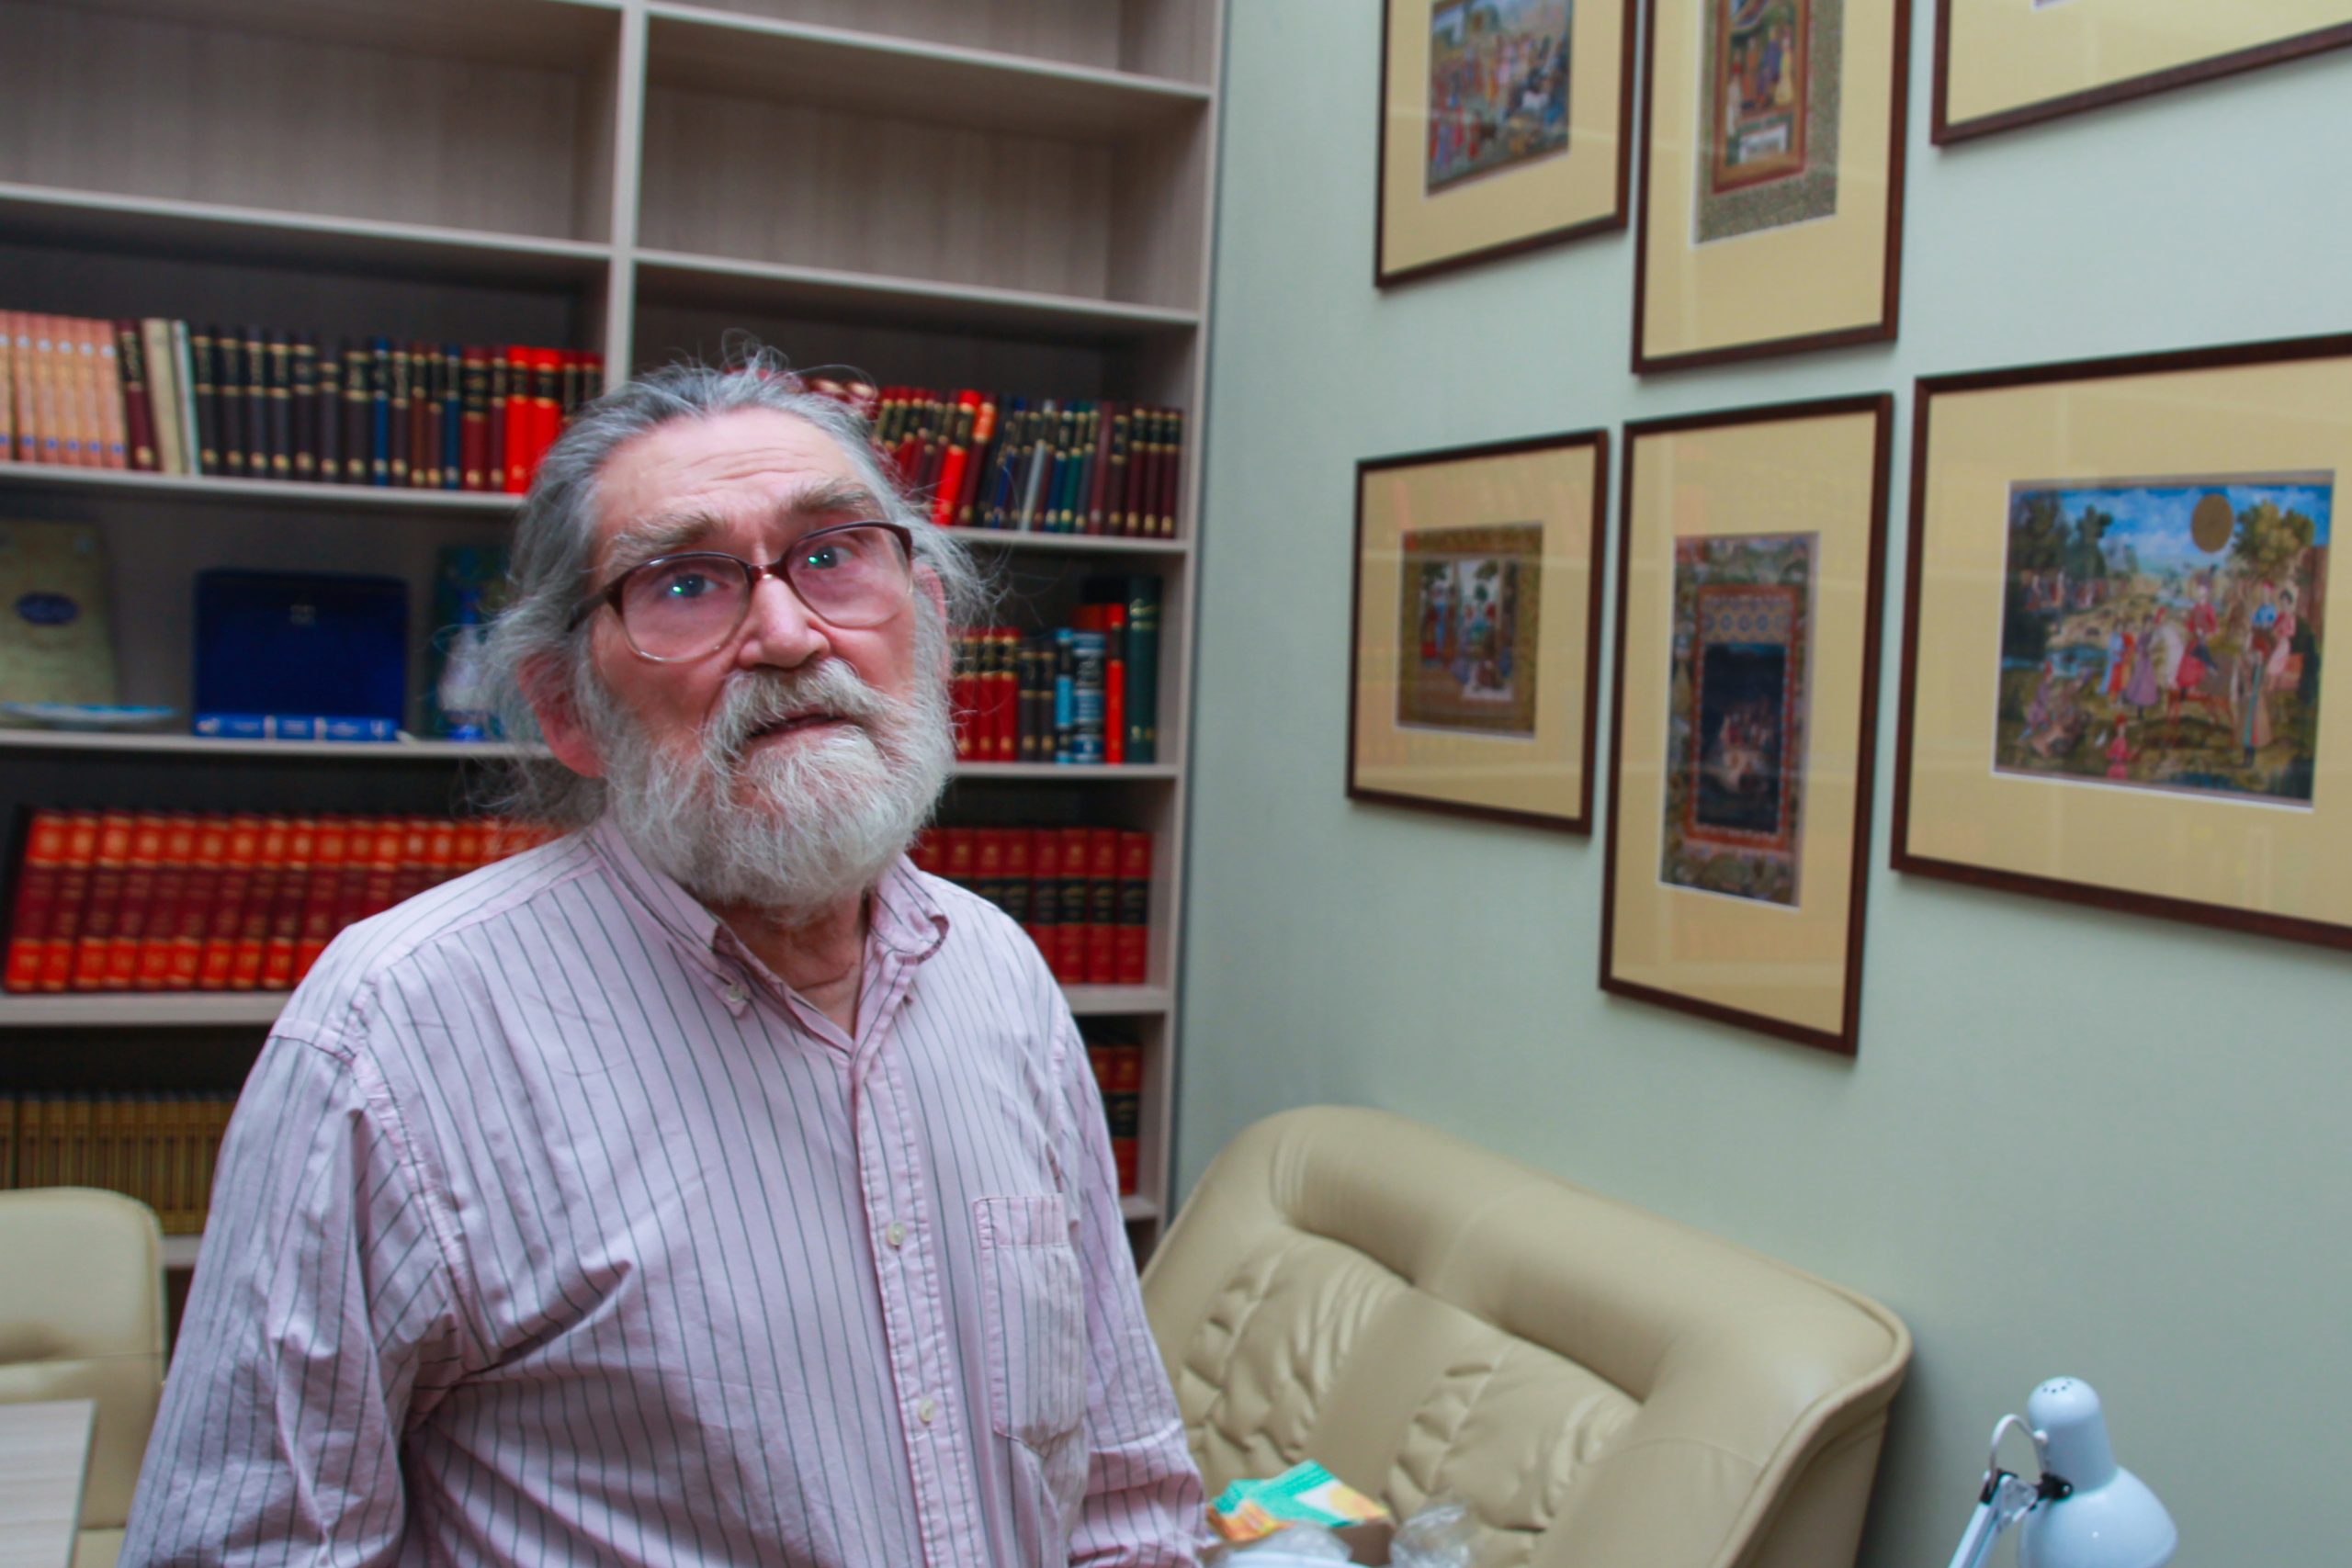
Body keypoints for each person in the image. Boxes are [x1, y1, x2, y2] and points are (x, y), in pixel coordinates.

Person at [119, 355, 1206, 1567]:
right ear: (566, 708)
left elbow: (1123, 1498)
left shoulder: (999, 974)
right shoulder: (395, 1037)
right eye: (686, 584)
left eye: (834, 554)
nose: (787, 634)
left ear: (933, 625)